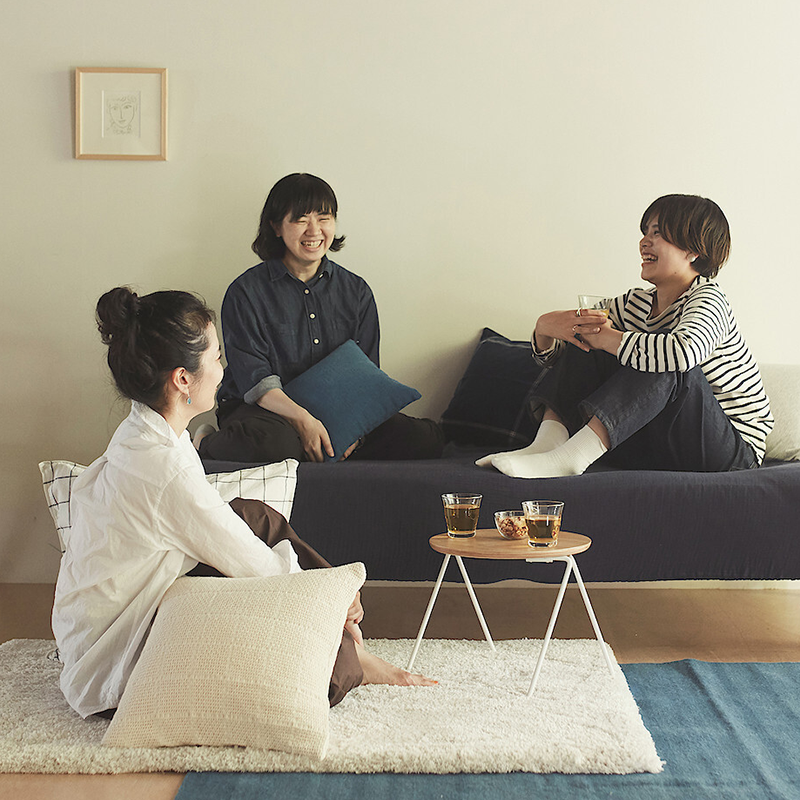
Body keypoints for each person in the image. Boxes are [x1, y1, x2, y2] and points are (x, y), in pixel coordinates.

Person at [51, 287, 435, 720]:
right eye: (216, 357)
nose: (223, 368)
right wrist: (328, 602)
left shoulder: (145, 430)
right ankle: (349, 655)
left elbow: (228, 528)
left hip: (115, 620)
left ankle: (341, 621)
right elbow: (258, 568)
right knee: (321, 665)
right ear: (182, 379)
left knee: (255, 515)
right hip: (115, 668)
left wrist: (331, 597)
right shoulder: (162, 468)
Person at [476, 194, 773, 478]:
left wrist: (608, 339)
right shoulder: (635, 303)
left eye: (658, 233)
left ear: (693, 250)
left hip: (729, 452)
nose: (645, 241)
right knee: (592, 334)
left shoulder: (708, 299)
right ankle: (548, 443)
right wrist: (544, 330)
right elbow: (575, 348)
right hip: (658, 441)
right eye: (646, 232)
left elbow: (683, 353)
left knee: (667, 362)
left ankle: (571, 458)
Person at [197, 173, 444, 464]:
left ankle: (316, 443)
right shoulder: (246, 292)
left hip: (336, 409)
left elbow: (365, 374)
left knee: (425, 439)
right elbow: (255, 380)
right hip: (266, 410)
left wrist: (355, 431)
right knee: (279, 445)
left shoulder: (356, 291)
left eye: (324, 218)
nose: (314, 230)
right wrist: (303, 420)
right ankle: (205, 442)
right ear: (276, 226)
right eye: (301, 219)